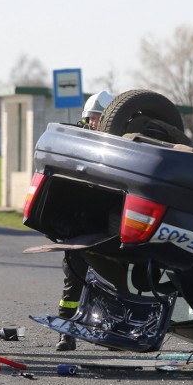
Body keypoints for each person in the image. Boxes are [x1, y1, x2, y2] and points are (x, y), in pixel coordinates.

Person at [55, 90, 115, 351]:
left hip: (109, 226)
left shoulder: (121, 145)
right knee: (74, 281)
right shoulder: (76, 142)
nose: (94, 123)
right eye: (91, 117)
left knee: (115, 281)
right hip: (79, 225)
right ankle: (66, 332)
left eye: (98, 117)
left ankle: (116, 332)